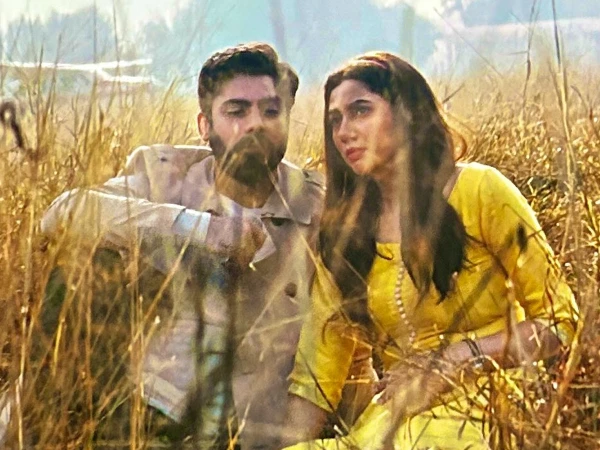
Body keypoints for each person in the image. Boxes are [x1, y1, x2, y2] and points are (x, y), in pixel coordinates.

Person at [37, 43, 374, 449]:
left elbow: (352, 335)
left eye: (271, 111)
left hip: (255, 428)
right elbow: (63, 214)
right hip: (150, 408)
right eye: (237, 111)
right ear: (205, 125)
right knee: (80, 264)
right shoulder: (166, 174)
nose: (256, 124)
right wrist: (201, 229)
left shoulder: (320, 206)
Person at [282, 52, 579, 449]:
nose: (344, 131)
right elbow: (316, 377)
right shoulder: (346, 234)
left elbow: (561, 322)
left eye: (360, 111)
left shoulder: (479, 190)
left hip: (491, 403)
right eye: (334, 119)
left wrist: (455, 358)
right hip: (397, 416)